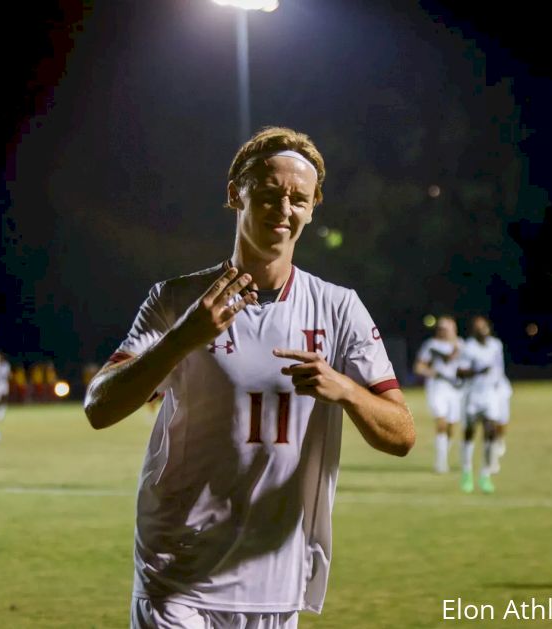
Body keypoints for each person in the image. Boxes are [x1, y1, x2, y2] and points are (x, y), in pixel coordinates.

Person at [84, 127, 416, 627]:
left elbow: (402, 434)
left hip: (277, 579)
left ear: (312, 206)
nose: (283, 208)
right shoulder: (175, 300)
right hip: (177, 573)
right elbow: (99, 407)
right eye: (268, 193)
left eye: (298, 199)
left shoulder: (338, 307)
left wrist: (344, 389)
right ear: (235, 193)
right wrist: (182, 339)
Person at [458, 315, 510, 494]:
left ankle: (485, 473)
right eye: (478, 327)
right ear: (474, 330)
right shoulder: (469, 347)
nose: (482, 329)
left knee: (491, 431)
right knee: (470, 433)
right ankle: (466, 472)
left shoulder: (496, 345)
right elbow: (461, 372)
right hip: (473, 394)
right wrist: (479, 371)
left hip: (491, 394)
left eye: (484, 326)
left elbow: (499, 368)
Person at [413, 316, 464, 473]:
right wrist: (432, 372)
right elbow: (419, 367)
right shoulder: (431, 345)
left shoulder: (462, 345)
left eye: (447, 328)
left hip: (456, 390)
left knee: (451, 426)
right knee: (441, 422)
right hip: (437, 388)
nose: (444, 331)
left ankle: (443, 457)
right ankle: (441, 463)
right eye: (442, 329)